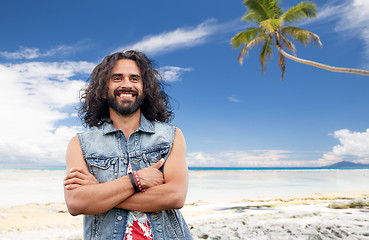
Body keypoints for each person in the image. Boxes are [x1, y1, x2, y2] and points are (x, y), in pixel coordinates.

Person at [63, 50, 193, 240]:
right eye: (117, 78)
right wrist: (137, 180)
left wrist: (100, 191)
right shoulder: (80, 144)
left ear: (144, 88)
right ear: (103, 90)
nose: (126, 84)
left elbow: (175, 196)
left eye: (134, 79)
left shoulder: (170, 136)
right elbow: (76, 203)